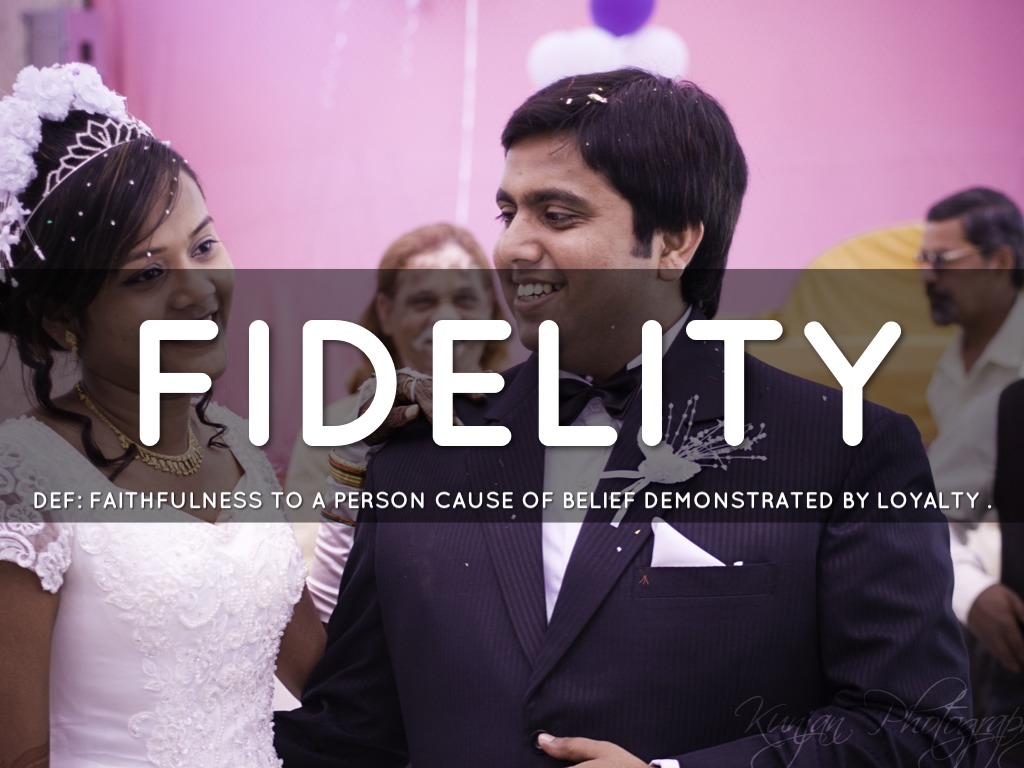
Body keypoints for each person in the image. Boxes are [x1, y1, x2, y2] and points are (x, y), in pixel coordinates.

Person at [275, 69, 972, 766]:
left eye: (557, 215)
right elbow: (354, 732)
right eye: (508, 213)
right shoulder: (423, 445)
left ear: (674, 243)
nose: (512, 248)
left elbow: (921, 731)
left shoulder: (844, 447)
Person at [0, 63, 324, 767]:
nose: (198, 290)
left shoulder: (234, 446)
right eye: (148, 275)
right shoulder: (22, 477)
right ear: (61, 320)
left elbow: (327, 684)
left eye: (203, 246)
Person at [284, 222, 508, 621]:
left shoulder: (532, 412)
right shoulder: (334, 427)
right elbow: (311, 564)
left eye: (464, 299)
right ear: (387, 313)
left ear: (490, 308)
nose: (446, 319)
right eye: (423, 301)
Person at [916, 189, 1024, 701]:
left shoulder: (1010, 386)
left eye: (942, 260)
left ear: (1000, 261)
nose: (926, 275)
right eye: (922, 259)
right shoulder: (953, 366)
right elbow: (940, 502)